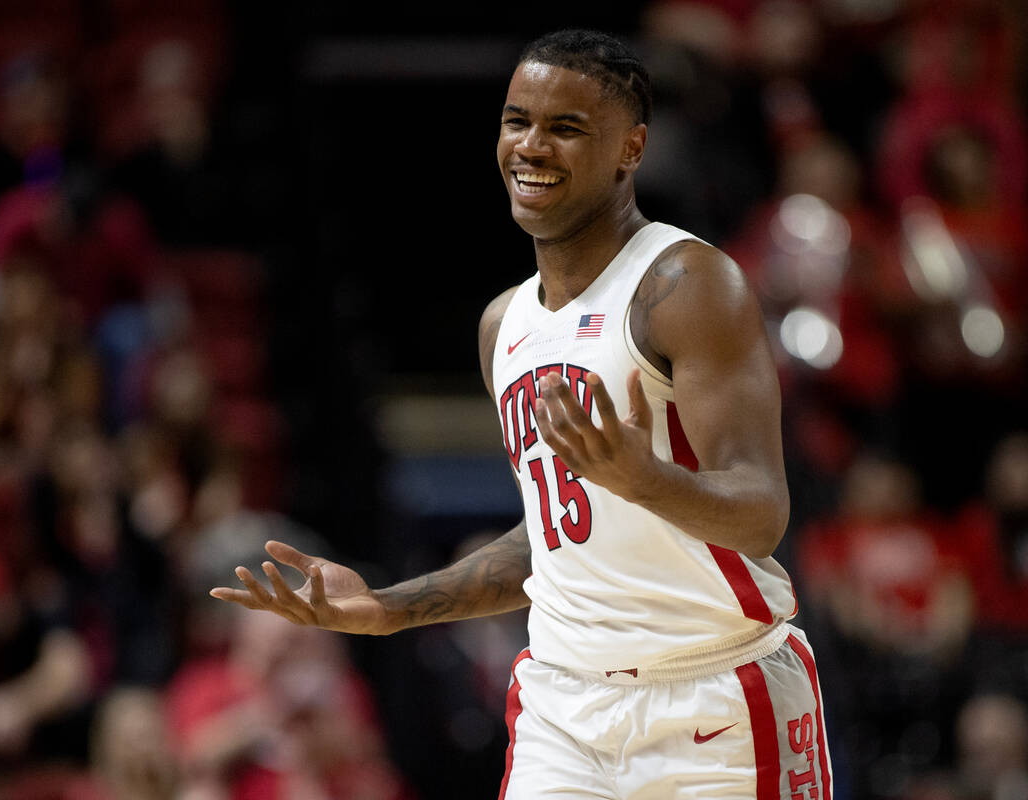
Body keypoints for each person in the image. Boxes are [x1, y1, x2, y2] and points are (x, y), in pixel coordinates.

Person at [211, 29, 832, 800]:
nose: (532, 146)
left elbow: (761, 514)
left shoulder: (687, 284)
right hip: (564, 706)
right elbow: (554, 538)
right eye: (517, 121)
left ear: (630, 148)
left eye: (566, 128)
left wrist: (642, 479)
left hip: (714, 695)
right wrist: (390, 608)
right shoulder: (502, 325)